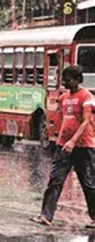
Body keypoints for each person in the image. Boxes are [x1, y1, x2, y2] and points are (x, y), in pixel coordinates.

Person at [30, 66, 95, 228]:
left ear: (77, 79)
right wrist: (60, 139)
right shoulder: (63, 98)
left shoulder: (86, 97)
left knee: (88, 183)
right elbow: (62, 119)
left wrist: (73, 141)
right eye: (64, 79)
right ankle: (46, 215)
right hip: (63, 146)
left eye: (68, 79)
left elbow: (86, 121)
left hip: (83, 146)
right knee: (55, 180)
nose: (65, 82)